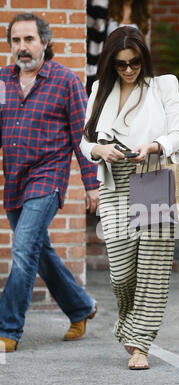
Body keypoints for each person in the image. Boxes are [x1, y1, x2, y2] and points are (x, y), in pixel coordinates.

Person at [80, 26, 179, 370]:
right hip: (115, 183)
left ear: (144, 58)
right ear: (110, 63)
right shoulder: (100, 90)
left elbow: (178, 135)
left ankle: (140, 343)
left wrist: (153, 146)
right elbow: (84, 141)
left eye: (135, 62)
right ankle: (130, 326)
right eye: (121, 64)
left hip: (154, 175)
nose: (128, 69)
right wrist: (100, 149)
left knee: (153, 269)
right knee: (122, 273)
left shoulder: (163, 85)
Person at [0, 13, 99, 352]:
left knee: (24, 248)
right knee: (40, 253)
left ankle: (7, 329)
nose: (22, 47)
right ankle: (81, 308)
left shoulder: (65, 81)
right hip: (14, 180)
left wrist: (92, 184)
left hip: (47, 178)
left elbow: (82, 138)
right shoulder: (3, 81)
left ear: (45, 42)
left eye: (29, 40)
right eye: (16, 41)